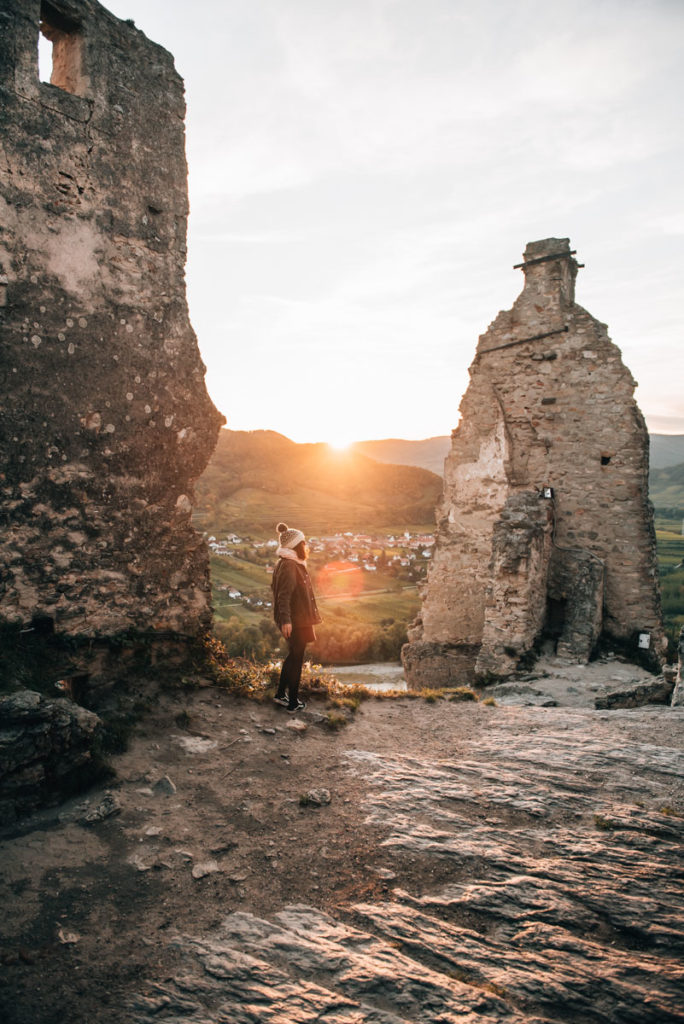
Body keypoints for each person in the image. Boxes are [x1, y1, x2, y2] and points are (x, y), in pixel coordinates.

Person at [271, 522, 322, 713]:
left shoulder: (289, 563)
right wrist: (286, 620)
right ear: (295, 546)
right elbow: (283, 595)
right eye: (303, 542)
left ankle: (281, 695)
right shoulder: (289, 565)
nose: (306, 545)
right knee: (296, 658)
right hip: (296, 620)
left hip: (299, 618)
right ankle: (292, 701)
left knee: (294, 657)